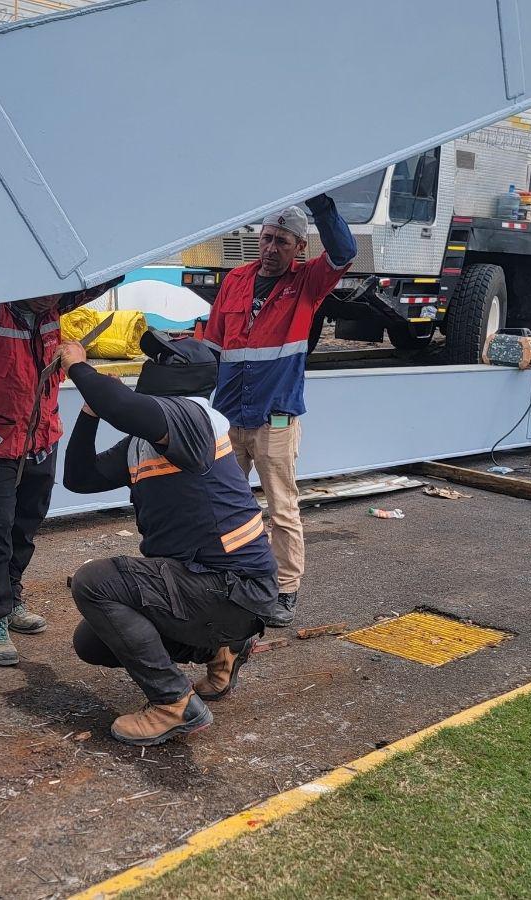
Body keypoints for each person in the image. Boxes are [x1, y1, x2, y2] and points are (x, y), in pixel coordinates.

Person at [58, 329, 279, 745]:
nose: (152, 367)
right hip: (204, 585)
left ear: (186, 375)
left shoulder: (195, 417)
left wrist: (79, 368)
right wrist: (90, 412)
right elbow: (79, 478)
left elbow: (123, 406)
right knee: (93, 642)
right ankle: (223, 650)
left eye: (162, 360)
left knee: (94, 582)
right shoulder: (145, 441)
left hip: (235, 587)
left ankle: (173, 704)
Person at [202, 196, 356, 627]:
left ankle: (285, 589)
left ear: (299, 247)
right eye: (267, 238)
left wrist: (324, 207)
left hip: (276, 419)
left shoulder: (308, 283)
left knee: (282, 509)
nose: (271, 248)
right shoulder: (235, 280)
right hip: (228, 417)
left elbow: (344, 252)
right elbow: (213, 344)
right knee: (221, 505)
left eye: (282, 242)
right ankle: (227, 576)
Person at [0, 278, 122, 666]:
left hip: (41, 436)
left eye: (56, 289)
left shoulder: (52, 305)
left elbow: (105, 276)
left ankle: (11, 596)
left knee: (27, 522)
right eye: (42, 285)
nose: (51, 296)